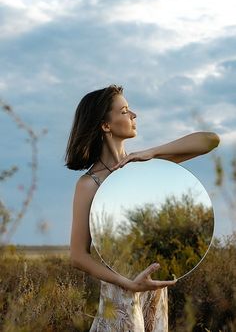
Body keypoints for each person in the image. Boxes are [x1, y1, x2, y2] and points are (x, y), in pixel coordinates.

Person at [64, 84, 220, 331]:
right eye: (125, 111)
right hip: (120, 294)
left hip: (155, 293)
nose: (134, 115)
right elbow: (78, 255)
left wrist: (152, 152)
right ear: (105, 125)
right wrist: (127, 282)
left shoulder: (147, 165)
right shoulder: (89, 184)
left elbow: (210, 140)